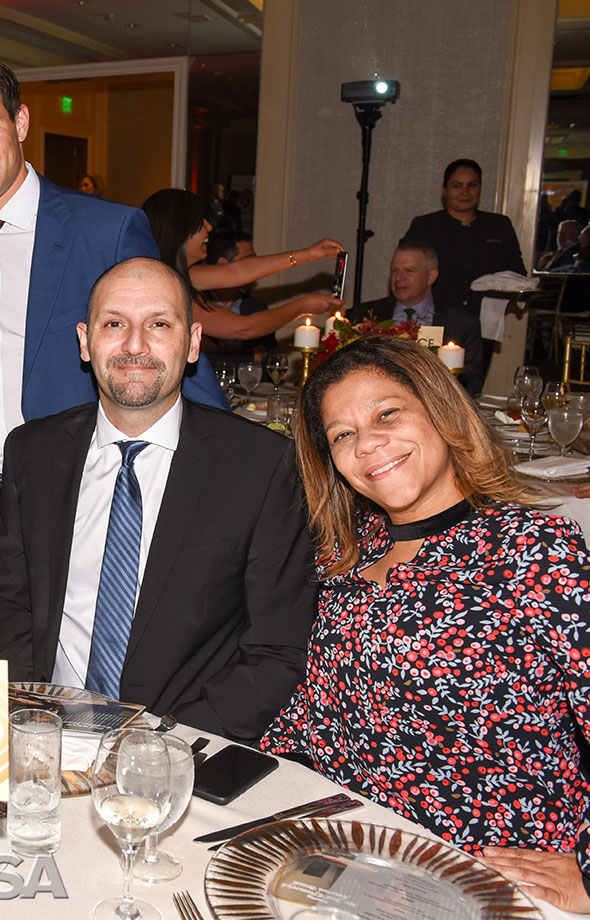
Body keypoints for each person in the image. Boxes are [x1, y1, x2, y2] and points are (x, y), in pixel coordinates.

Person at [0, 54, 225, 658]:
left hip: (61, 498)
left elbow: (169, 350)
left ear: (21, 122)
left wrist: (230, 471)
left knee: (48, 685)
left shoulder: (106, 230)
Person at [260, 335, 590, 869]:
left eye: (386, 414)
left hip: (488, 861)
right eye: (343, 435)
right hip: (353, 845)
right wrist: (260, 775)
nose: (367, 444)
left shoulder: (532, 549)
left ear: (441, 410)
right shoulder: (347, 554)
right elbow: (319, 708)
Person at [0, 258, 316, 740]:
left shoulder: (262, 467)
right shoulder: (34, 450)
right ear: (85, 341)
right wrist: (27, 717)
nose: (135, 345)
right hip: (47, 733)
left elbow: (275, 651)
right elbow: (11, 604)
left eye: (159, 324)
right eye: (114, 324)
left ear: (193, 343)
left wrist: (165, 746)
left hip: (181, 742)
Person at [142, 188, 343, 348]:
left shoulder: (178, 274)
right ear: (179, 231)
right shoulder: (161, 287)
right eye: (200, 222)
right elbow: (243, 328)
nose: (209, 227)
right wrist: (301, 307)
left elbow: (235, 272)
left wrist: (307, 254)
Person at [403, 158, 526, 372]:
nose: (465, 192)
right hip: (436, 320)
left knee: (474, 382)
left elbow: (517, 274)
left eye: (472, 185)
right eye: (457, 186)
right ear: (445, 191)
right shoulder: (425, 226)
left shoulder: (499, 225)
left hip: (484, 322)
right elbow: (406, 272)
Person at [349, 239, 484, 395]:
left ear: (431, 276)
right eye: (394, 270)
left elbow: (472, 384)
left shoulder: (462, 325)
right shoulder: (364, 314)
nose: (399, 278)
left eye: (409, 271)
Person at [202, 230, 289, 360]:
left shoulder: (256, 307)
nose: (255, 267)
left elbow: (272, 357)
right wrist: (250, 357)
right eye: (249, 261)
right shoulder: (197, 305)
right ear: (223, 264)